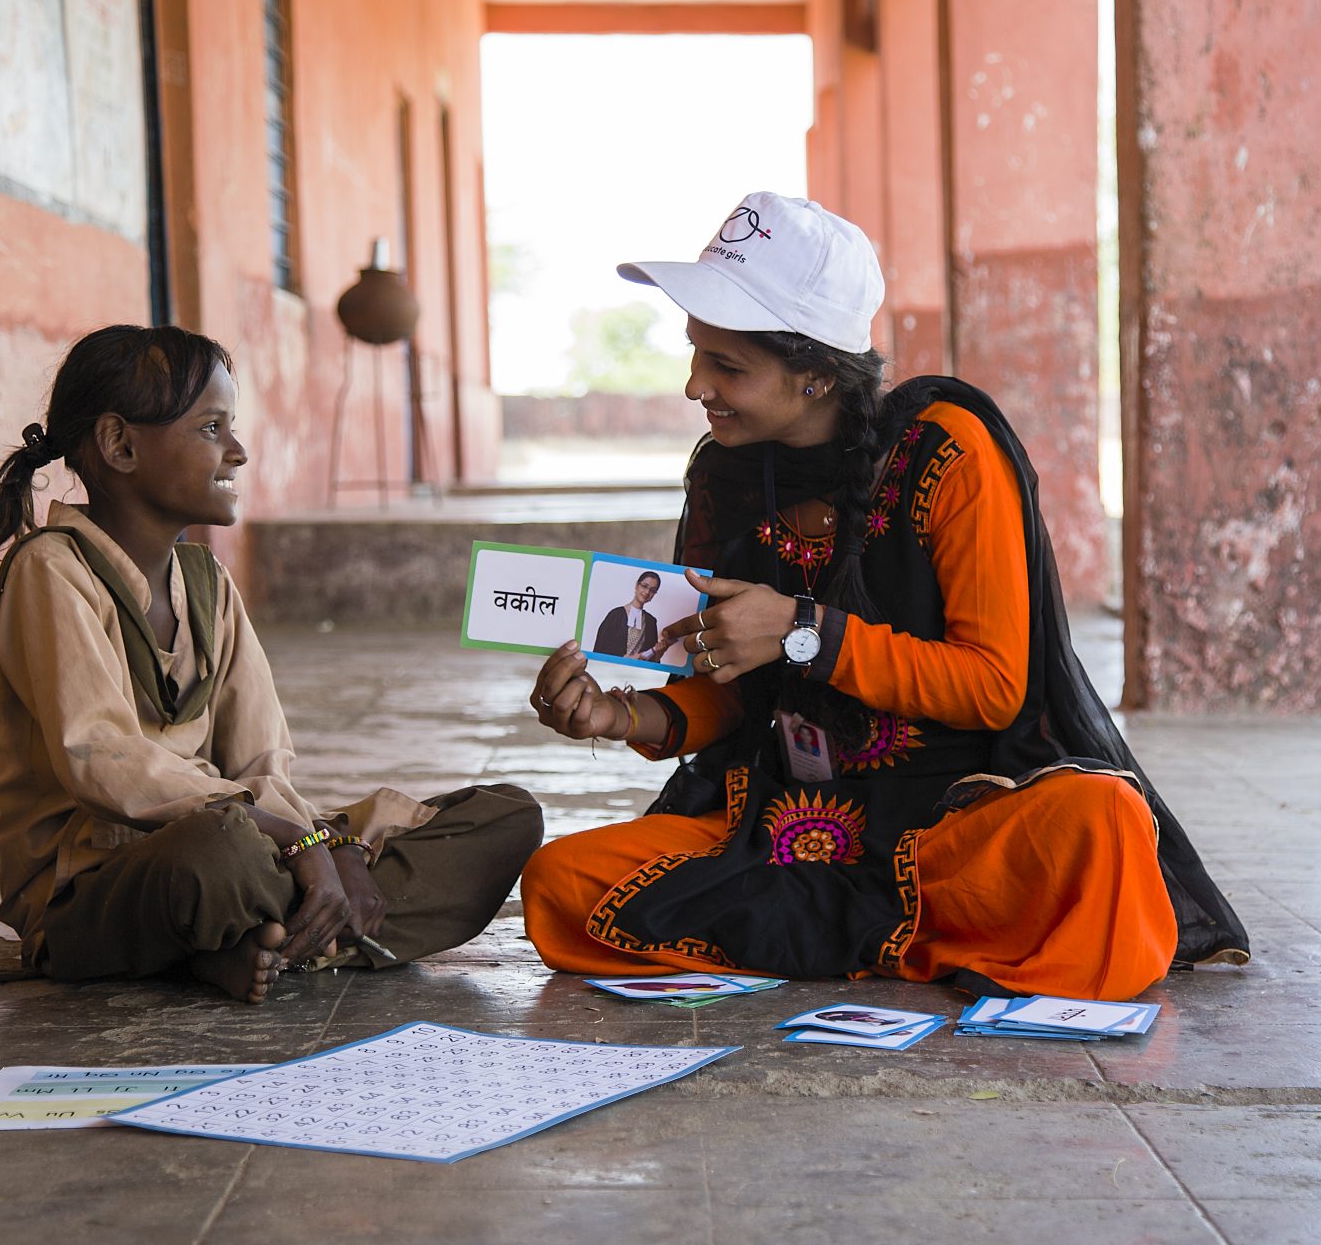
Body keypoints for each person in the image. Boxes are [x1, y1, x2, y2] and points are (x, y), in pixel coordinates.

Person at [521, 192, 1248, 1001]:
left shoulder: (949, 451)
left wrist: (805, 631)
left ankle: (835, 934)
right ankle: (929, 942)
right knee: (560, 880)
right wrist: (617, 717)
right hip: (793, 823)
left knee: (1102, 827)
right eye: (696, 354)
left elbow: (994, 687)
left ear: (817, 374)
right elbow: (732, 696)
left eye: (728, 366)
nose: (697, 387)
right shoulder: (726, 472)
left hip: (955, 824)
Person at [0, 324, 542, 1003]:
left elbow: (263, 764)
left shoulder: (207, 584)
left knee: (505, 816)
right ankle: (313, 931)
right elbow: (100, 761)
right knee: (216, 853)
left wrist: (325, 843)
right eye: (211, 429)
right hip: (101, 886)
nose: (238, 452)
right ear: (120, 445)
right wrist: (299, 843)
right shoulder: (51, 569)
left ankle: (260, 939)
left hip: (245, 844)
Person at [591, 571, 668, 661]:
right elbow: (599, 650)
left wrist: (659, 653)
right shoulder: (615, 615)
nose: (647, 592)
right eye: (644, 586)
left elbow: (652, 662)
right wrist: (627, 658)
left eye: (652, 590)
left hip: (636, 672)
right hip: (610, 669)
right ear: (637, 585)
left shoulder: (651, 622)